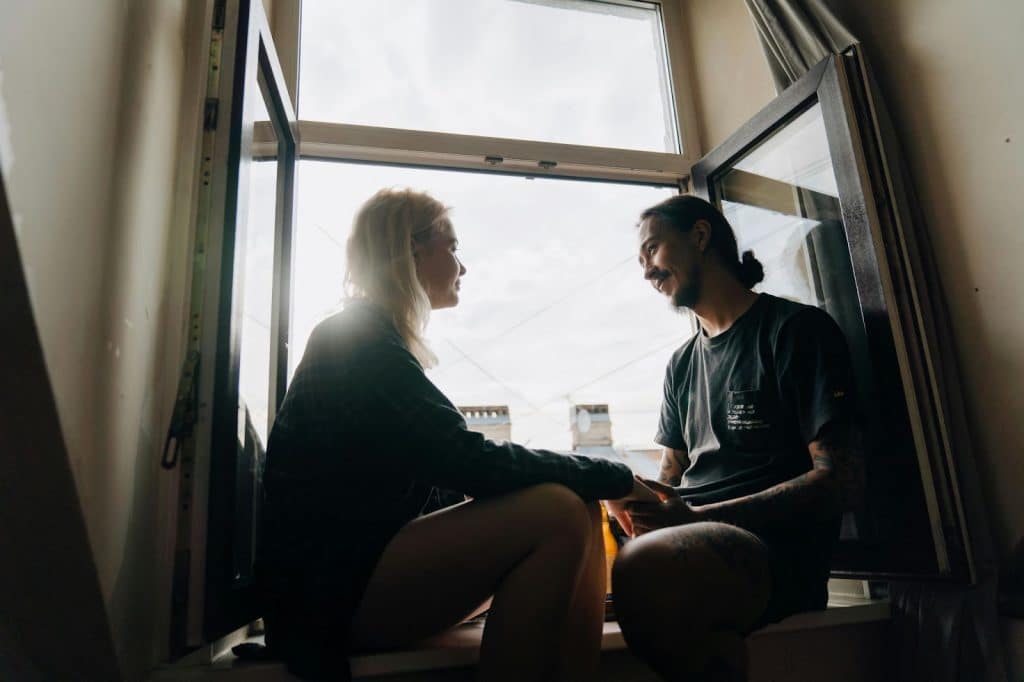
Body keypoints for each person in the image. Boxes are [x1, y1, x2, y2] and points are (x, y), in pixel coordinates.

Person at [256, 188, 657, 681]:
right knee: (556, 509)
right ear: (411, 249)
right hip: (323, 604)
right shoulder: (355, 339)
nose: (462, 267)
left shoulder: (371, 338)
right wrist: (618, 477)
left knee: (576, 505)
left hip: (345, 586)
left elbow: (451, 472)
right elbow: (470, 462)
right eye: (453, 246)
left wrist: (597, 484)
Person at [606, 195, 863, 682]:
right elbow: (671, 481)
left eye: (653, 250)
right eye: (641, 261)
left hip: (775, 554)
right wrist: (631, 498)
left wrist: (694, 517)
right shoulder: (681, 364)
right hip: (691, 541)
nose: (646, 273)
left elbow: (841, 482)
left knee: (647, 566)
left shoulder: (796, 332)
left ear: (700, 237)